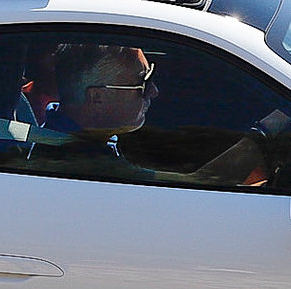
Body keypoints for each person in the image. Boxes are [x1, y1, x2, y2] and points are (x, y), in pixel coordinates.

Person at [27, 42, 273, 187]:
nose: (154, 92)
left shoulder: (65, 129)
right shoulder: (85, 163)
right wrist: (263, 135)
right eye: (143, 83)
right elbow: (200, 183)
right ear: (97, 97)